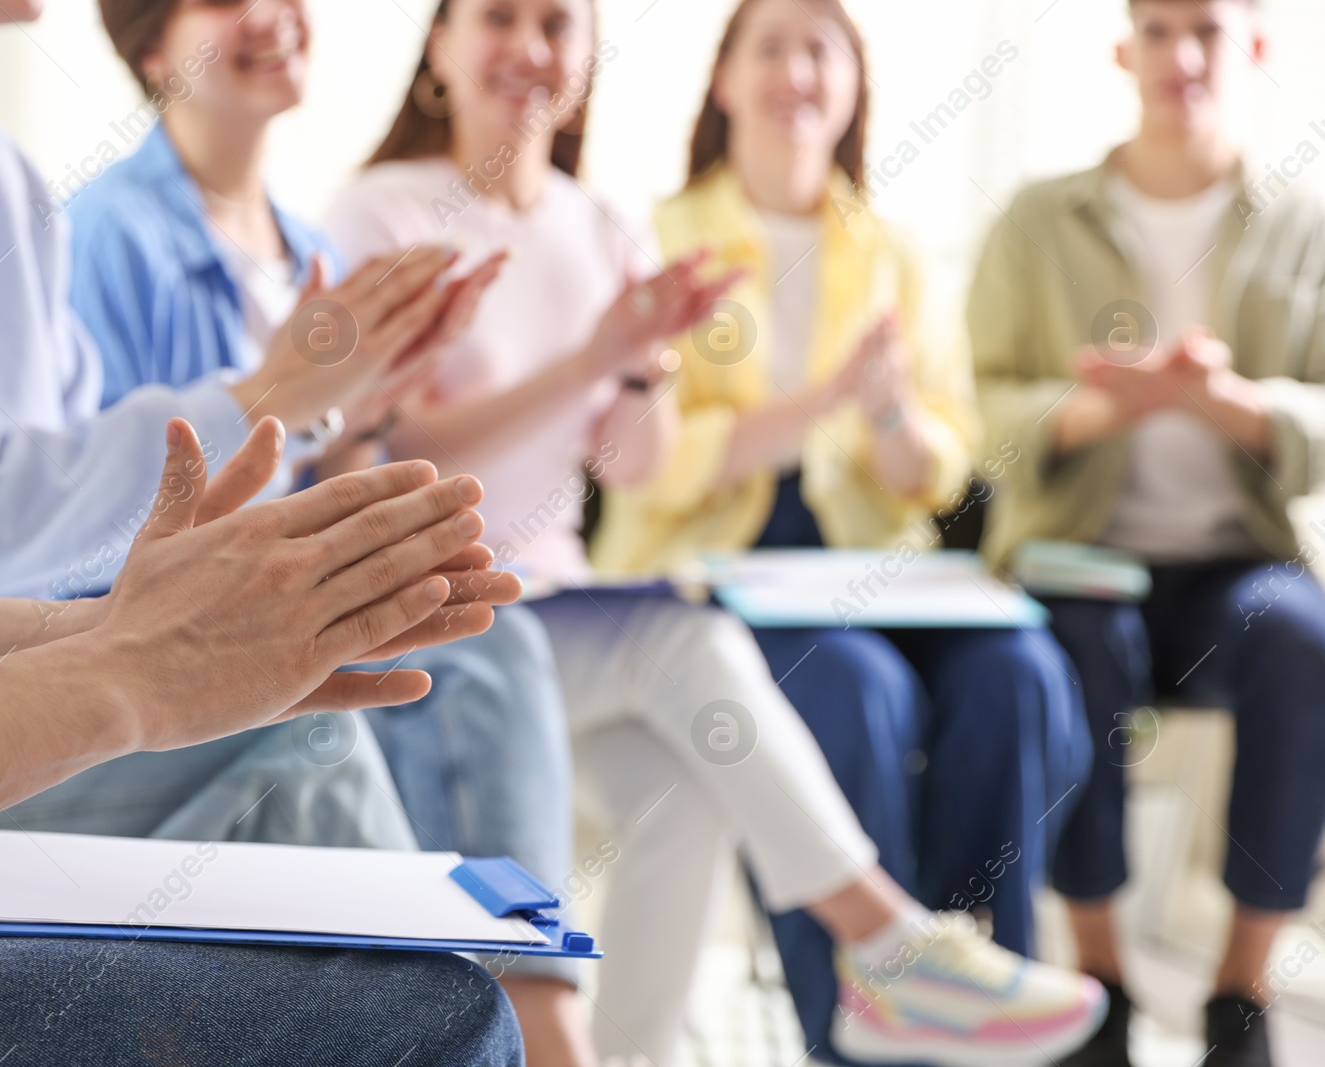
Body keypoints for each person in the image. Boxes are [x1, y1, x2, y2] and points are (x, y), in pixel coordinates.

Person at [0, 5, 527, 1065]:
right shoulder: (87, 213)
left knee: (465, 661)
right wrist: (139, 654)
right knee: (359, 850)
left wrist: (136, 625)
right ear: (152, 49)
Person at [322, 1, 1109, 1065]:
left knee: (681, 785)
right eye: (495, 17)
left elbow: (628, 463)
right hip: (439, 609)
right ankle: (887, 946)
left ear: (588, 57)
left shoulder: (596, 224)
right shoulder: (387, 211)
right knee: (689, 643)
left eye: (556, 22)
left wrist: (641, 364)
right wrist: (591, 353)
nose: (528, 45)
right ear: (439, 50)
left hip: (553, 607)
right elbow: (381, 438)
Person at [57, 2, 585, 1061]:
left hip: (278, 612)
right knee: (463, 657)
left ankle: (523, 1013)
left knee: (475, 621)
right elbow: (110, 514)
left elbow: (320, 465)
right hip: (181, 634)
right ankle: (527, 1022)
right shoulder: (113, 234)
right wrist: (308, 404)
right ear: (149, 43)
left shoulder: (302, 244)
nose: (271, 15)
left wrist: (373, 401)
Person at [589, 2, 1094, 1061]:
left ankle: (975, 996)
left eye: (821, 48)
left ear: (854, 86)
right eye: (767, 45)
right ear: (722, 80)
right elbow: (648, 458)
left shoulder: (891, 254)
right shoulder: (656, 236)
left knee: (1021, 674)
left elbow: (940, 465)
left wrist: (884, 414)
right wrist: (820, 402)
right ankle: (852, 1024)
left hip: (874, 567)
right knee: (855, 691)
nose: (796, 71)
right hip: (707, 573)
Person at [967, 2, 1325, 1065]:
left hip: (1233, 566)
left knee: (1302, 640)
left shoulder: (1300, 223)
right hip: (1085, 559)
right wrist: (1092, 408)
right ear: (1123, 50)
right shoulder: (1036, 221)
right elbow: (980, 412)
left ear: (1250, 48)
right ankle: (1104, 978)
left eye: (1204, 30)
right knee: (1071, 646)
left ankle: (1237, 989)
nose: (1181, 55)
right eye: (1157, 29)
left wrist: (1230, 404)